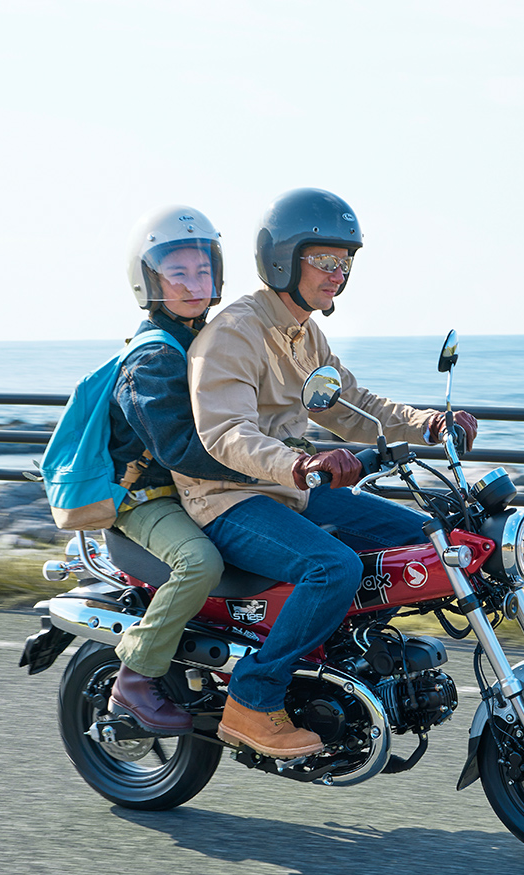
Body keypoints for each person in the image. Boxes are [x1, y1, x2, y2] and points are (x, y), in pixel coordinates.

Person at [175, 187, 477, 758]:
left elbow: (350, 405)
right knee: (332, 567)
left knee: (419, 540)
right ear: (284, 259)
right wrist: (302, 463)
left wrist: (427, 424)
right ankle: (253, 698)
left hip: (293, 488)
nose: (339, 273)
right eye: (326, 260)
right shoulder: (236, 333)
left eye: (347, 262)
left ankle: (344, 660)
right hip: (228, 497)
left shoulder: (304, 332)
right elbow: (224, 434)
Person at [102, 205, 258, 736]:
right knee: (199, 563)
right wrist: (273, 468)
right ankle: (135, 676)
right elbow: (179, 450)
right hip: (148, 500)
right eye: (178, 273)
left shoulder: (209, 341)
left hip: (202, 492)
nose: (194, 283)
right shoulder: (152, 359)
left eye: (202, 270)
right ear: (150, 280)